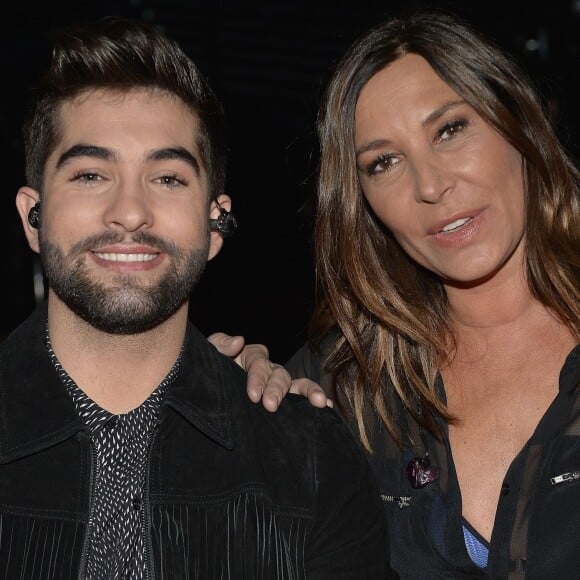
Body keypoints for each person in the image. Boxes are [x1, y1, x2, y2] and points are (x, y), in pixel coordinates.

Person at [0, 16, 394, 580]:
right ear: (32, 218)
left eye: (168, 179)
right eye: (90, 175)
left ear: (216, 225)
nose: (130, 212)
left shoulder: (310, 460)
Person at [222, 9, 580, 579]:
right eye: (385, 162)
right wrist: (220, 401)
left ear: (518, 124)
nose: (431, 186)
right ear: (361, 202)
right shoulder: (349, 379)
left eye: (450, 130)